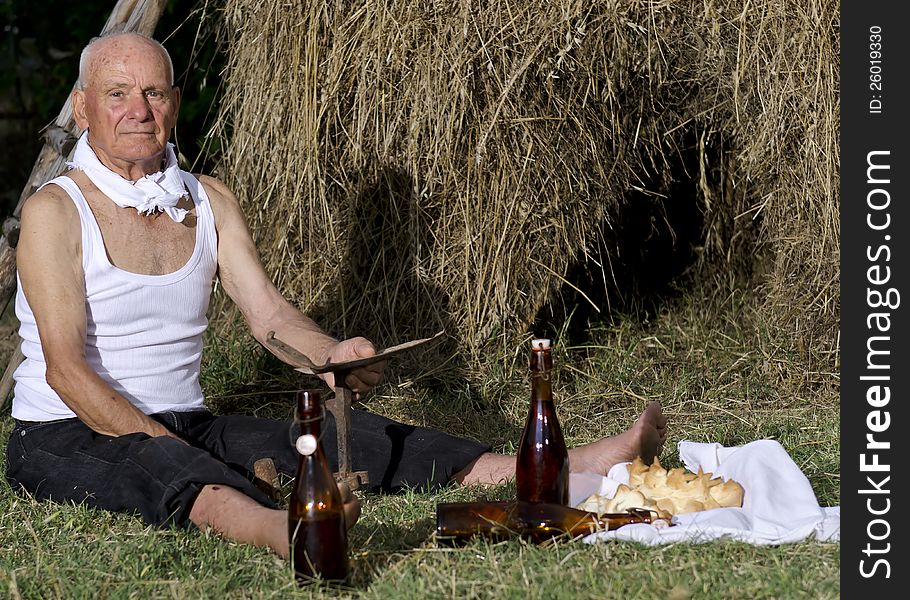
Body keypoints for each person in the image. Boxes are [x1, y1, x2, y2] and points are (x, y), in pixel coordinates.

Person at [5, 32, 667, 559]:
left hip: (185, 416)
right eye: (118, 93)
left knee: (341, 437)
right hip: (64, 432)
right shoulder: (56, 212)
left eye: (153, 92)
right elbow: (65, 370)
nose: (138, 111)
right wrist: (165, 445)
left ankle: (559, 467)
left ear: (174, 102)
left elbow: (267, 317)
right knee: (172, 473)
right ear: (85, 103)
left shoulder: (209, 201)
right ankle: (286, 531)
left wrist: (330, 354)